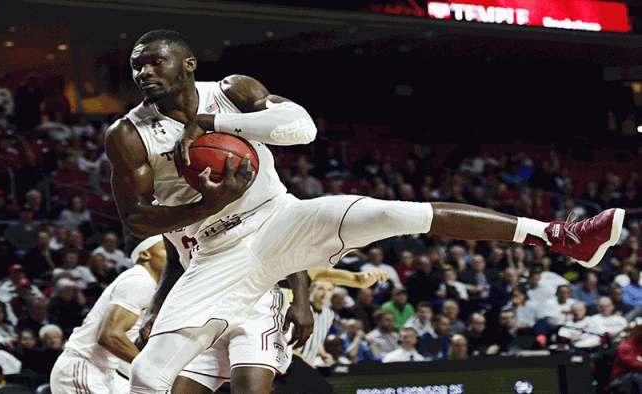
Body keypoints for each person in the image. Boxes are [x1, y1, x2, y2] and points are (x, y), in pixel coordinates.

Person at [103, 30, 626, 394]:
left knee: (397, 213)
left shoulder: (232, 93)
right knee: (150, 375)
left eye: (156, 61)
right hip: (216, 249)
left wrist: (220, 123)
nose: (145, 71)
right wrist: (211, 201)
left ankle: (559, 234)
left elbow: (301, 128)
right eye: (137, 66)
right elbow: (138, 220)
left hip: (279, 216)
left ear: (188, 64)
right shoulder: (129, 134)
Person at [50, 236, 166, 394]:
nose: (176, 256)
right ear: (145, 254)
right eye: (166, 249)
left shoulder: (146, 283)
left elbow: (119, 347)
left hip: (105, 371)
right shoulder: (140, 281)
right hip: (84, 367)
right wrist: (153, 370)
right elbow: (110, 336)